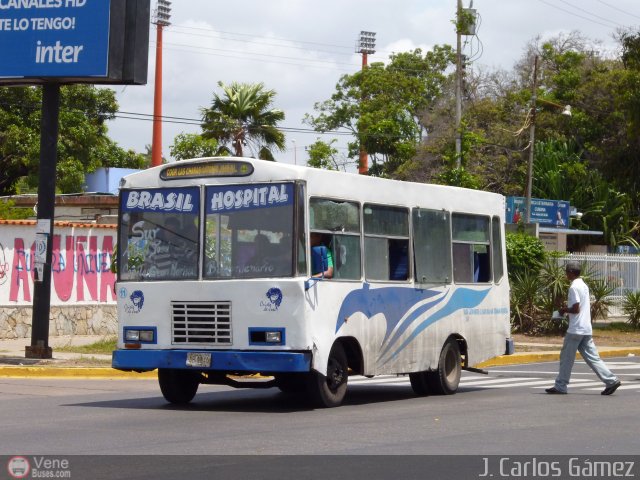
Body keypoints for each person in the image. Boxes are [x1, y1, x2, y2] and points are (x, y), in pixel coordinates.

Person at [545, 261, 621, 395]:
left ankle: (561, 385)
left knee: (566, 358)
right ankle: (611, 380)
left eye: (566, 272)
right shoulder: (584, 285)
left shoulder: (574, 287)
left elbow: (576, 308)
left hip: (576, 329)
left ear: (571, 273)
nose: (566, 274)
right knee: (593, 358)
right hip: (586, 328)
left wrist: (563, 310)